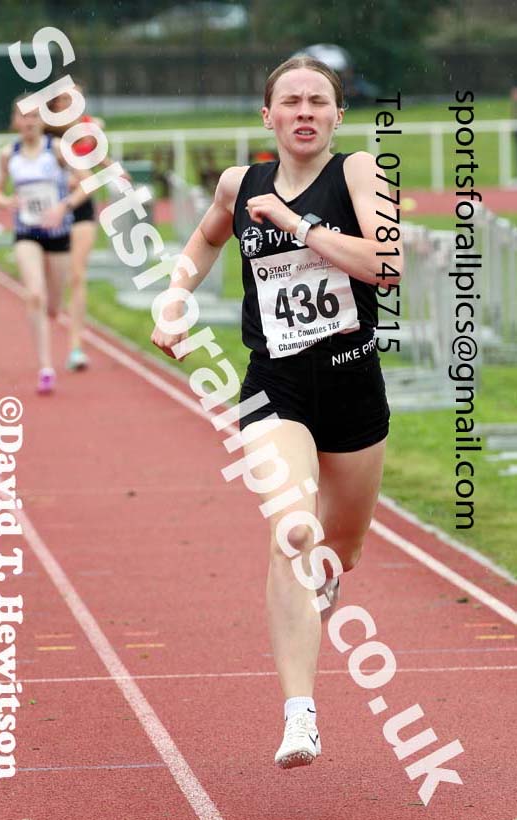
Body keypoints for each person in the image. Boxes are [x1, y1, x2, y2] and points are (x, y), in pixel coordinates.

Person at [152, 56, 403, 768]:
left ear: (336, 115)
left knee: (340, 550)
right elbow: (203, 242)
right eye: (288, 100)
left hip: (353, 385)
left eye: (316, 101)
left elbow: (384, 264)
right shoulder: (240, 185)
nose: (302, 111)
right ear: (266, 116)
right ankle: (300, 716)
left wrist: (295, 225)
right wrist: (174, 300)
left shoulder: (357, 175)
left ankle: (326, 570)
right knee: (293, 530)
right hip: (275, 388)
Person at [0, 98, 89, 393]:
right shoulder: (9, 154)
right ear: (15, 121)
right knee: (34, 294)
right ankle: (46, 367)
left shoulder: (57, 150)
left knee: (53, 305)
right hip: (26, 232)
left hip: (58, 234)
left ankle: (51, 312)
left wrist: (64, 206)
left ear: (42, 120)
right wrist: (7, 201)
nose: (30, 121)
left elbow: (86, 183)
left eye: (35, 115)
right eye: (24, 116)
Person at [46, 84, 131, 371]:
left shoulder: (88, 129)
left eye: (77, 97)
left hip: (80, 208)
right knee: (53, 285)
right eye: (67, 98)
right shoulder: (46, 132)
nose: (73, 103)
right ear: (56, 104)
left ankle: (75, 348)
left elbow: (101, 160)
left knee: (78, 276)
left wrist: (117, 172)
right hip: (48, 213)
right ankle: (53, 304)